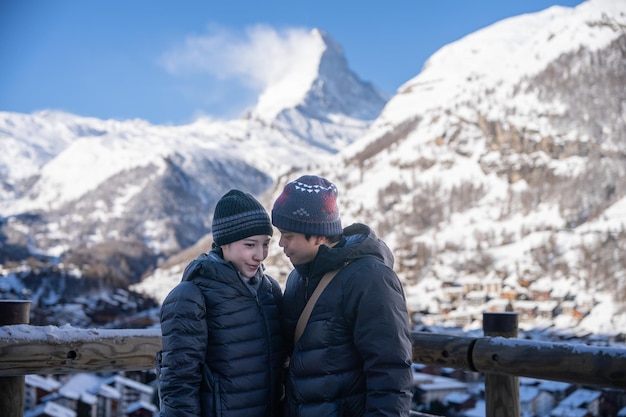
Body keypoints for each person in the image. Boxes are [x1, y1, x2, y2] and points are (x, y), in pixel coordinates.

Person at [271, 175, 413, 417]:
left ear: (317, 235)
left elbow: (390, 372)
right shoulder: (298, 278)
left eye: (289, 235)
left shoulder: (370, 279)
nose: (281, 243)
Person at [158, 189, 286, 417]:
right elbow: (179, 383)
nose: (260, 255)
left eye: (265, 243)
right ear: (224, 243)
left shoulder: (270, 290)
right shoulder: (191, 296)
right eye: (250, 245)